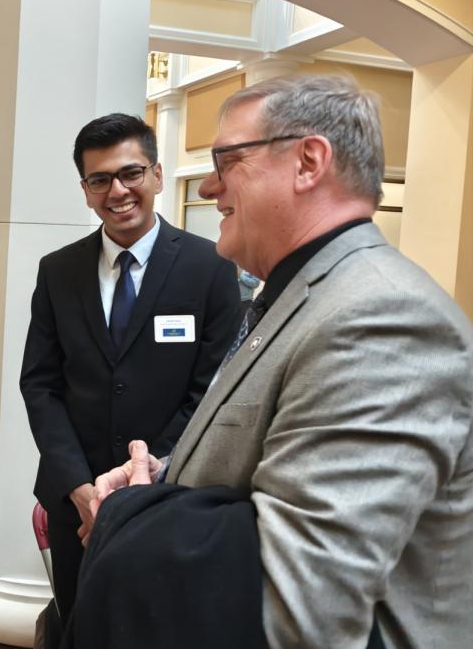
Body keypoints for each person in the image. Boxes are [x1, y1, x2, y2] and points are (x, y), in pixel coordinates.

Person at [90, 74, 473, 648]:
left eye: (227, 159)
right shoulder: (300, 295)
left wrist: (133, 514)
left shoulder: (383, 317)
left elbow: (299, 598)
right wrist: (162, 475)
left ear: (308, 161)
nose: (212, 187)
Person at [20, 113, 241, 623]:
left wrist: (147, 479)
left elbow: (213, 392)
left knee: (156, 624)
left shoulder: (209, 268)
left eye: (131, 173)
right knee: (80, 619)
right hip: (75, 501)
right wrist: (79, 489)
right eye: (100, 180)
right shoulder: (58, 271)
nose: (117, 191)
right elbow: (41, 385)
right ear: (85, 189)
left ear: (157, 176)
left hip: (170, 496)